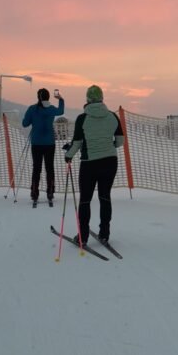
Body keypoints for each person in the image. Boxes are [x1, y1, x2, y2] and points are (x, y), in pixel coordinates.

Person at [64, 85, 124, 245]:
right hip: (110, 162)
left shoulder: (82, 118)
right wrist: (108, 145)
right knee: (105, 197)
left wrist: (68, 155)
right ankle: (104, 233)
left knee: (85, 200)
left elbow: (77, 143)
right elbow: (120, 141)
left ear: (88, 99)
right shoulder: (113, 116)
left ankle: (82, 237)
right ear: (102, 98)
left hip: (89, 164)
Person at [22, 88, 65, 206]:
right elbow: (61, 111)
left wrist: (31, 119)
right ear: (48, 97)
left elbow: (25, 124)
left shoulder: (32, 109)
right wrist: (60, 99)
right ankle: (50, 192)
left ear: (38, 97)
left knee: (36, 168)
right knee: (49, 168)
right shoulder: (51, 109)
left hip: (36, 143)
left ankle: (34, 193)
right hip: (50, 143)